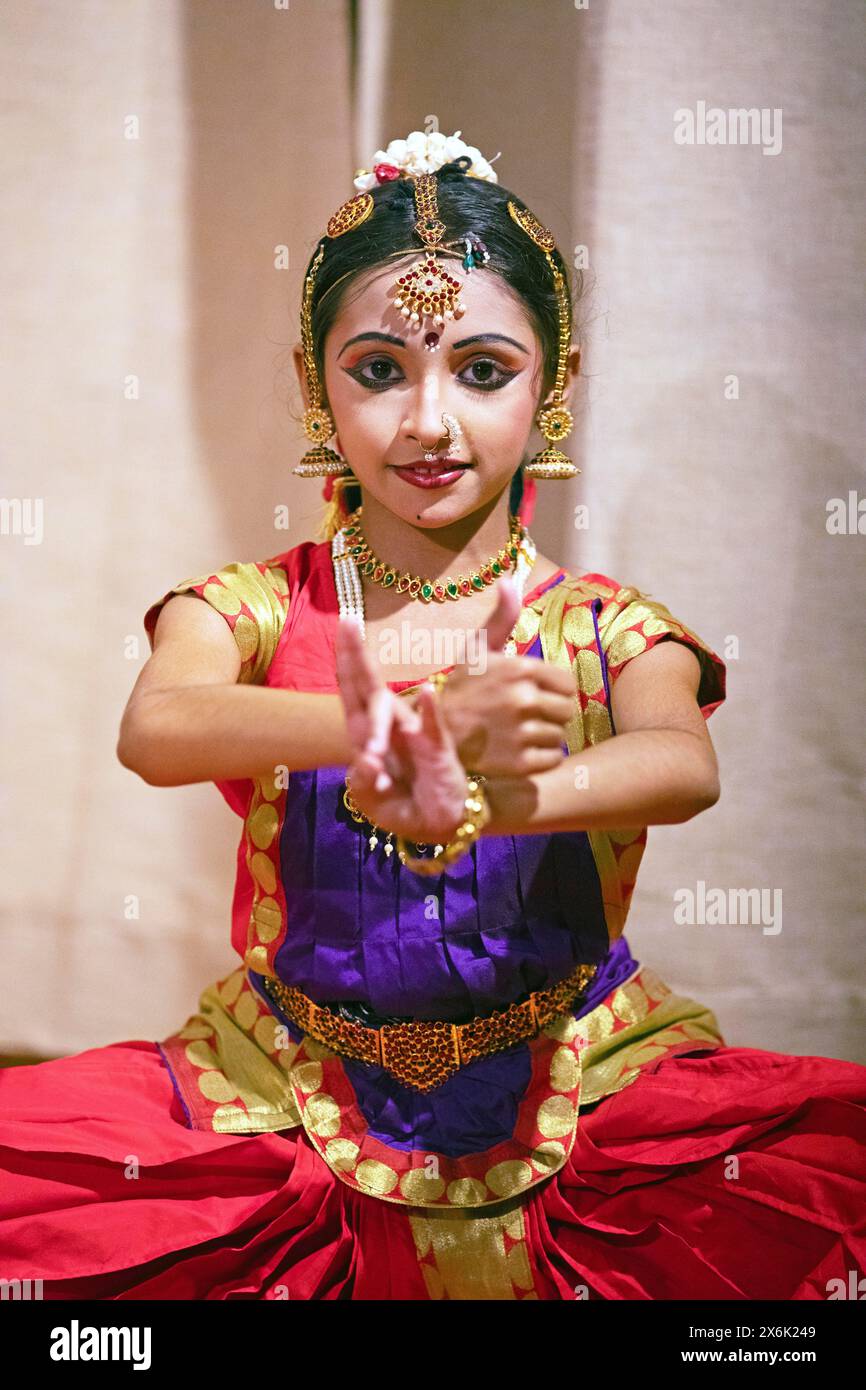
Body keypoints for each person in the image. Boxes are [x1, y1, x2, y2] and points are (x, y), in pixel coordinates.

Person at [1, 130, 864, 1302]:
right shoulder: (253, 604)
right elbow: (159, 726)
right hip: (285, 1085)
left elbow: (679, 762)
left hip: (581, 1084)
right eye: (376, 370)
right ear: (317, 387)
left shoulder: (601, 623)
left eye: (481, 369)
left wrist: (503, 797)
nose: (427, 422)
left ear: (550, 388)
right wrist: (382, 727)